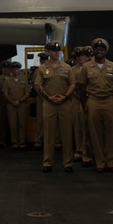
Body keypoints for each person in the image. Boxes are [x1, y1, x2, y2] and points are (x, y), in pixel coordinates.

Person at [77, 38, 113, 172]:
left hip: (109, 100)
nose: (99, 51)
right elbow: (82, 88)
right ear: (94, 51)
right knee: (95, 134)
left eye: (101, 49)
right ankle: (100, 162)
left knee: (112, 133)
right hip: (93, 100)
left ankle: (111, 162)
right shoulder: (86, 67)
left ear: (105, 51)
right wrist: (84, 104)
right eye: (97, 49)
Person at [34, 41, 75, 172]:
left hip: (64, 104)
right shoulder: (42, 68)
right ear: (47, 52)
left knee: (67, 134)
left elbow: (72, 84)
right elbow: (38, 86)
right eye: (53, 50)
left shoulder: (67, 67)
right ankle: (47, 162)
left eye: (58, 51)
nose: (56, 53)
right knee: (49, 134)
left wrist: (66, 96)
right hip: (49, 104)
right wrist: (48, 97)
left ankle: (68, 163)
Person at [4, 60, 30, 150]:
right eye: (13, 69)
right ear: (11, 70)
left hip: (22, 105)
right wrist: (12, 101)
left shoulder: (24, 80)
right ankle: (15, 143)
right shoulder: (8, 81)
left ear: (19, 70)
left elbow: (27, 93)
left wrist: (20, 101)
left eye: (17, 69)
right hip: (11, 105)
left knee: (22, 124)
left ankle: (22, 142)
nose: (15, 70)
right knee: (13, 124)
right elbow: (5, 93)